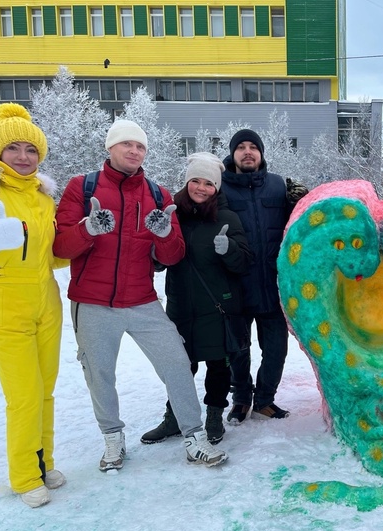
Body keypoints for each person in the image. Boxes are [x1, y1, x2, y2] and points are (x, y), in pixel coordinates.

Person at [53, 119, 227, 471]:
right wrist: (87, 228)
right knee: (99, 373)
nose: (134, 151)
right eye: (126, 144)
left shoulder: (158, 195)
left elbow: (172, 255)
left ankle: (194, 437)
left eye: (140, 146)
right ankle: (113, 439)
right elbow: (61, 246)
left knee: (176, 362)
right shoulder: (82, 187)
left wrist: (163, 233)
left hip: (143, 300)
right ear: (110, 147)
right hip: (93, 302)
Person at [0, 103, 67, 507]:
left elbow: (54, 255)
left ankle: (44, 462)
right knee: (23, 394)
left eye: (31, 149)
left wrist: (87, 239)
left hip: (45, 297)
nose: (23, 157)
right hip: (4, 299)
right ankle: (23, 476)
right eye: (14, 149)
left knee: (46, 390)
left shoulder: (42, 197)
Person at [140, 152, 252, 444]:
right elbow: (160, 261)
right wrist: (157, 246)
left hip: (218, 304)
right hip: (182, 305)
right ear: (187, 182)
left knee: (217, 365)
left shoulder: (227, 218)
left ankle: (214, 415)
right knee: (180, 365)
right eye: (195, 181)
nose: (201, 188)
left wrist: (228, 248)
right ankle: (174, 417)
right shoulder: (171, 213)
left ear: (217, 187)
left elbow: (244, 263)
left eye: (208, 183)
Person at [221, 129, 308, 423]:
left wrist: (300, 203)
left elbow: (296, 226)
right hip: (236, 284)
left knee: (276, 350)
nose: (248, 152)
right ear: (233, 153)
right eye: (241, 147)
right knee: (238, 351)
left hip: (272, 285)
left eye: (253, 147)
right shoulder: (219, 186)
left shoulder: (277, 186)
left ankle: (265, 399)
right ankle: (242, 399)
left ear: (261, 152)